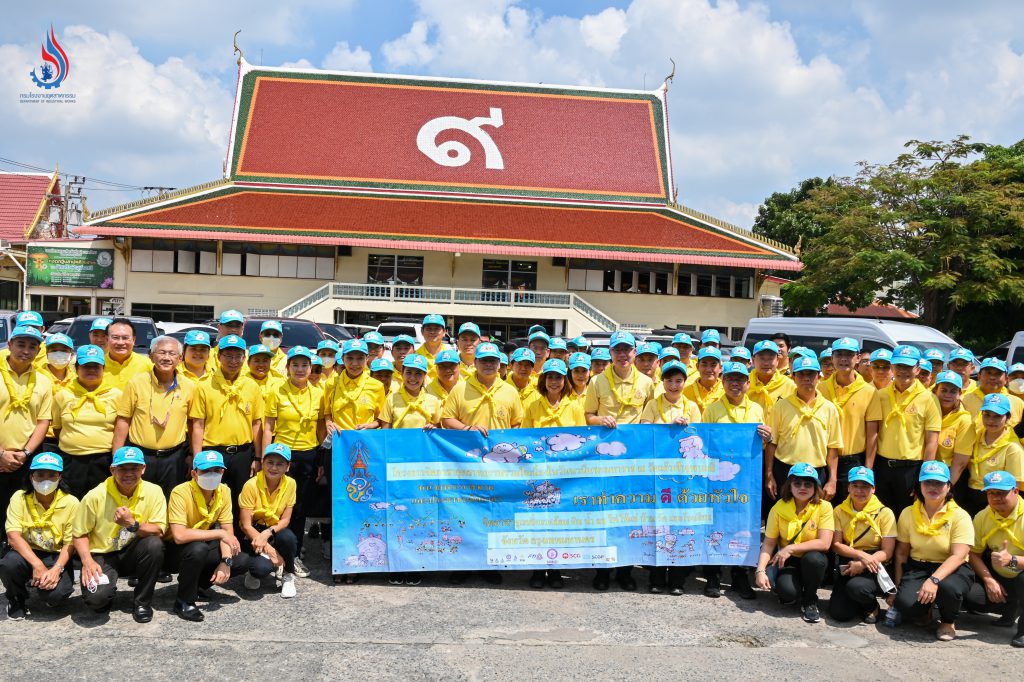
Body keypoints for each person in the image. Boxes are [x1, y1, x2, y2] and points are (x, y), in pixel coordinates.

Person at [441, 342, 523, 586]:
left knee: (494, 514)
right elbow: (446, 419)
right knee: (466, 513)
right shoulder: (461, 388)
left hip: (500, 466)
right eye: (483, 360)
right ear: (474, 363)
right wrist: (468, 429)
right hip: (467, 465)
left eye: (492, 361)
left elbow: (518, 424)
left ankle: (490, 563)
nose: (488, 364)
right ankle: (464, 564)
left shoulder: (509, 391)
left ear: (500, 364)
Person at [584, 331, 653, 591]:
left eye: (627, 350)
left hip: (635, 460)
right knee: (604, 514)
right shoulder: (597, 382)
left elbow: (651, 419)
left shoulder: (647, 383)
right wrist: (601, 420)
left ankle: (625, 570)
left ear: (635, 352)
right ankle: (602, 569)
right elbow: (588, 415)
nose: (623, 355)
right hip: (604, 458)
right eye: (618, 350)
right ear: (611, 353)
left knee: (629, 514)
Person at [73, 446, 167, 622]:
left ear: (143, 469)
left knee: (154, 545)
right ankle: (107, 588)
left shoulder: (154, 491)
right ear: (112, 470)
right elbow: (79, 534)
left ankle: (142, 602)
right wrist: (87, 561)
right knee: (96, 602)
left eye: (134, 468)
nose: (129, 473)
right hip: (103, 554)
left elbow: (159, 530)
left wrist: (132, 524)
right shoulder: (95, 496)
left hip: (133, 551)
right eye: (122, 468)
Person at [701, 362, 768, 599]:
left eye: (740, 379)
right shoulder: (712, 409)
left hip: (747, 479)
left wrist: (767, 437)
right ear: (723, 381)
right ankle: (713, 576)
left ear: (748, 383)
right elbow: (704, 442)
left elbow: (765, 442)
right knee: (715, 524)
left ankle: (741, 577)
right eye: (730, 379)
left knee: (744, 526)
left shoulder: (758, 409)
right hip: (718, 478)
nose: (735, 384)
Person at [890, 460, 974, 641]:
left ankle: (947, 621)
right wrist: (898, 587)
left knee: (948, 588)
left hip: (951, 568)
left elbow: (959, 556)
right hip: (919, 566)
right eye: (928, 482)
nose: (933, 487)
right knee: (905, 604)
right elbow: (901, 553)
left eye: (939, 483)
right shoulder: (907, 513)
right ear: (919, 485)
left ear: (948, 486)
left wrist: (933, 580)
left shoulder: (960, 516)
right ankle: (925, 610)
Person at [379, 354, 442, 585]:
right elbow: (384, 432)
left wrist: (433, 427)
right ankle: (396, 564)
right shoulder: (392, 399)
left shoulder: (434, 401)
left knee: (419, 515)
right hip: (396, 467)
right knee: (396, 513)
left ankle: (415, 563)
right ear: (402, 374)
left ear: (425, 376)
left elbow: (440, 433)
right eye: (409, 372)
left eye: (418, 373)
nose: (413, 377)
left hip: (423, 468)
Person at [639, 359, 700, 596]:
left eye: (678, 381)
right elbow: (644, 431)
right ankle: (655, 578)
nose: (674, 385)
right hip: (657, 474)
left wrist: (686, 427)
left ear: (685, 382)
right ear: (662, 382)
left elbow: (698, 437)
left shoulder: (692, 406)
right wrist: (668, 426)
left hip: (684, 476)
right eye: (669, 380)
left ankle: (677, 580)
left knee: (680, 523)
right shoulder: (653, 404)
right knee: (659, 523)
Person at [264, 346, 325, 578]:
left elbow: (320, 427)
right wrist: (264, 458)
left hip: (308, 454)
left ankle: (294, 554)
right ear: (287, 367)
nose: (300, 369)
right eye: (295, 365)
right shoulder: (276, 391)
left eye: (305, 365)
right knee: (275, 506)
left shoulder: (318, 392)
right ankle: (271, 552)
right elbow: (269, 426)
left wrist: (320, 458)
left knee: (299, 509)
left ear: (311, 368)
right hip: (282, 455)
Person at [165, 450, 247, 621]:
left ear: (222, 472)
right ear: (194, 473)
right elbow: (179, 536)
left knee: (240, 560)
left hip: (201, 542)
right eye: (205, 471)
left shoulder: (224, 491)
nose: (212, 475)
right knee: (198, 549)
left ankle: (198, 586)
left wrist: (226, 561)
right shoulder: (180, 492)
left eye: (216, 471)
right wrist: (219, 533)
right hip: (172, 550)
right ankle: (183, 602)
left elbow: (228, 531)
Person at [113, 336, 196, 500]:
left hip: (175, 457)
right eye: (162, 352)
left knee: (172, 500)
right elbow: (123, 421)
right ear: (151, 356)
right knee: (138, 499)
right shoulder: (136, 383)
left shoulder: (190, 386)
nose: (166, 358)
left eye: (172, 354)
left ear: (180, 359)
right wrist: (116, 458)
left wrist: (192, 455)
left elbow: (194, 424)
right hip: (140, 456)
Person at [190, 335, 265, 510]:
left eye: (237, 356)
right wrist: (197, 458)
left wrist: (258, 457)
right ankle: (207, 538)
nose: (233, 361)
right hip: (212, 452)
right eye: (228, 356)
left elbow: (257, 424)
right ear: (218, 357)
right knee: (208, 500)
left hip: (242, 454)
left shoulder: (251, 386)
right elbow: (198, 425)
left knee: (241, 501)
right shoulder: (204, 386)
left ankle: (239, 537)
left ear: (244, 359)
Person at [0, 453, 78, 618]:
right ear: (31, 476)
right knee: (8, 564)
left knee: (55, 596)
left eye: (52, 475)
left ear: (60, 476)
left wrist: (56, 569)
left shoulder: (71, 502)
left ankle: (43, 585)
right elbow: (13, 536)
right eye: (40, 474)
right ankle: (16, 598)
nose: (45, 480)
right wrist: (38, 565)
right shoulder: (19, 497)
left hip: (55, 555)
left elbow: (71, 541)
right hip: (26, 552)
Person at [865, 345, 941, 515]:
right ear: (892, 367)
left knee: (907, 516)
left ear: (917, 369)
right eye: (899, 366)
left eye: (908, 366)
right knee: (882, 516)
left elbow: (932, 441)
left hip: (911, 469)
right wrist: (869, 469)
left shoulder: (929, 399)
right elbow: (873, 434)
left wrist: (925, 477)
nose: (903, 371)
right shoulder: (881, 395)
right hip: (882, 466)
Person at [755, 462, 834, 623]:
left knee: (814, 560)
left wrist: (790, 547)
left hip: (812, 559)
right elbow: (769, 543)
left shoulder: (824, 507)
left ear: (815, 487)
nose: (802, 487)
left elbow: (825, 544)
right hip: (787, 561)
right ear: (789, 486)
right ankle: (795, 591)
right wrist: (760, 571)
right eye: (797, 483)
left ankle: (810, 600)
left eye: (808, 484)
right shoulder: (778, 508)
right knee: (787, 593)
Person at [765, 355, 843, 503]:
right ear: (793, 377)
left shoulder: (829, 408)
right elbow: (772, 443)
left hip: (817, 471)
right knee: (783, 517)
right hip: (785, 470)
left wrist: (832, 480)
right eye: (801, 374)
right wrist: (770, 476)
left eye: (811, 374)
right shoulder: (781, 406)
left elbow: (833, 447)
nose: (806, 378)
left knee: (814, 520)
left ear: (819, 377)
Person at [0, 326, 53, 533]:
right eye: (21, 344)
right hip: (1, 454)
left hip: (25, 458)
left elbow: (43, 421)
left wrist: (25, 453)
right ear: (10, 345)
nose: (26, 350)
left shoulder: (43, 381)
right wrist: (2, 453)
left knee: (20, 512)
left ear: (38, 351)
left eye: (32, 346)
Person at [52, 345, 123, 500]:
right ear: (76, 369)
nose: (91, 370)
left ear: (103, 369)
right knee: (71, 502)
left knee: (103, 503)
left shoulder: (117, 395)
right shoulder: (63, 395)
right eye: (86, 366)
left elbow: (121, 429)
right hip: (71, 460)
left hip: (104, 460)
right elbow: (57, 428)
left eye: (96, 366)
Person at [828, 466, 897, 623]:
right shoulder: (839, 510)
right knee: (839, 614)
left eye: (865, 486)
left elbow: (888, 551)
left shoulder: (885, 513)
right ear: (848, 488)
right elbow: (837, 545)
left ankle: (871, 606)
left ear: (873, 489)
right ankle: (856, 601)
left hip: (874, 565)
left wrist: (864, 563)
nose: (859, 491)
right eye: (855, 486)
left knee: (857, 588)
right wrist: (860, 556)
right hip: (850, 561)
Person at [964, 471, 1024, 647]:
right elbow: (973, 553)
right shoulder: (983, 516)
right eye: (991, 493)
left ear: (1016, 491)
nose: (996, 498)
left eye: (1001, 492)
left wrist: (1012, 560)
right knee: (971, 597)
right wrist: (989, 580)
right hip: (998, 574)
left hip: (1020, 572)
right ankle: (1010, 609)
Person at [820, 337, 876, 503]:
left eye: (849, 354)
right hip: (823, 460)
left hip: (852, 461)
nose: (843, 359)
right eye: (839, 354)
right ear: (832, 358)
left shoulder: (869, 392)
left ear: (858, 358)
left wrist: (868, 469)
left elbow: (872, 434)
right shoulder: (820, 388)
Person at [239, 442, 299, 598]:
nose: (274, 468)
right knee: (259, 569)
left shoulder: (291, 484)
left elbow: (285, 520)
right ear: (263, 463)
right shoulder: (250, 485)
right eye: (270, 462)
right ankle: (254, 570)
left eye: (280, 464)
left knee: (289, 538)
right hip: (253, 531)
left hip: (275, 529)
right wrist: (270, 550)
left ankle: (288, 574)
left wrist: (268, 533)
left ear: (288, 466)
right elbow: (245, 525)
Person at [957, 394, 1024, 516]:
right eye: (987, 415)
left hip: (997, 499)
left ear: (1008, 417)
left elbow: (1015, 487)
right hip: (970, 495)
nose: (991, 421)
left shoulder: (1013, 448)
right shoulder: (975, 436)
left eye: (997, 416)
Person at [933, 371, 975, 493]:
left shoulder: (964, 420)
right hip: (925, 473)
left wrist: (946, 488)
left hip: (950, 477)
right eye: (944, 390)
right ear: (935, 390)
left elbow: (960, 463)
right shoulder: (927, 412)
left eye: (953, 391)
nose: (948, 395)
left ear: (960, 394)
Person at [962, 358, 1024, 431]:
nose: (992, 377)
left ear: (1006, 379)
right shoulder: (963, 400)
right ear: (979, 376)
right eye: (988, 373)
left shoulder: (1018, 403)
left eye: (998, 374)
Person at [103, 318, 153, 391]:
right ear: (107, 340)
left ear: (133, 340)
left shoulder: (147, 364)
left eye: (125, 338)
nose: (120, 342)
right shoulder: (97, 364)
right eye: (115, 338)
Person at [748, 340, 795, 416]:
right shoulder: (744, 383)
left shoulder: (789, 385)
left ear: (777, 360)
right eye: (762, 358)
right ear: (753, 360)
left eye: (770, 358)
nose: (766, 363)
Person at [682, 347, 724, 413]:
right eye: (704, 365)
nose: (708, 369)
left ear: (720, 368)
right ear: (697, 367)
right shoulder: (686, 392)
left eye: (713, 365)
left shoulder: (726, 392)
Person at [416, 313, 449, 378]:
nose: (432, 332)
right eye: (428, 329)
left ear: (444, 332)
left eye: (436, 329)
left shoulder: (450, 355)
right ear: (422, 331)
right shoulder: (415, 356)